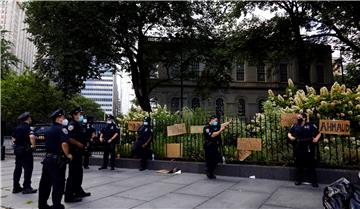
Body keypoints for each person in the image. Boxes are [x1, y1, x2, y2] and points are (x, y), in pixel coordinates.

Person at [38, 109, 73, 209]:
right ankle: (57, 205)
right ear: (59, 118)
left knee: (45, 184)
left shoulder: (48, 130)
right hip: (57, 161)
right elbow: (64, 143)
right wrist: (68, 155)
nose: (64, 119)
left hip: (47, 159)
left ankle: (42, 205)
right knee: (58, 183)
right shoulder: (62, 129)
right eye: (63, 117)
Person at [64, 107, 91, 203]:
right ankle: (69, 196)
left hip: (79, 152)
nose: (81, 115)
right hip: (74, 151)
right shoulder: (71, 124)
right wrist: (78, 144)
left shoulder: (78, 124)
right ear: (75, 115)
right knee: (73, 174)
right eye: (79, 114)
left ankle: (78, 191)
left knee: (79, 173)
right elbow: (69, 138)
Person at [288, 112, 321, 187]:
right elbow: (289, 133)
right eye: (298, 117)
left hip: (308, 146)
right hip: (298, 146)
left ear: (304, 118)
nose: (298, 119)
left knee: (311, 164)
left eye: (300, 117)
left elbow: (319, 133)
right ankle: (298, 180)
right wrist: (291, 137)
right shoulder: (295, 125)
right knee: (299, 164)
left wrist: (316, 139)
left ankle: (314, 182)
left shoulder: (311, 125)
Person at [12, 112, 37, 194]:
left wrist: (16, 145)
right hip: (26, 151)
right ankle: (27, 187)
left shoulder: (17, 128)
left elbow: (13, 138)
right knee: (28, 169)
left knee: (18, 169)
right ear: (28, 118)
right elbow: (32, 136)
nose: (31, 118)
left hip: (18, 150)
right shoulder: (28, 128)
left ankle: (16, 187)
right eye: (30, 117)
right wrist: (33, 145)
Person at [203, 115, 230, 179]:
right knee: (210, 160)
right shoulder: (207, 127)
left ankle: (210, 172)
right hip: (208, 146)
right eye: (216, 120)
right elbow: (212, 135)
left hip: (215, 146)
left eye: (217, 121)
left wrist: (229, 122)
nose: (217, 122)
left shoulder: (215, 126)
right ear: (212, 120)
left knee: (217, 159)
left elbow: (222, 125)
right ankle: (209, 172)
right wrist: (221, 130)